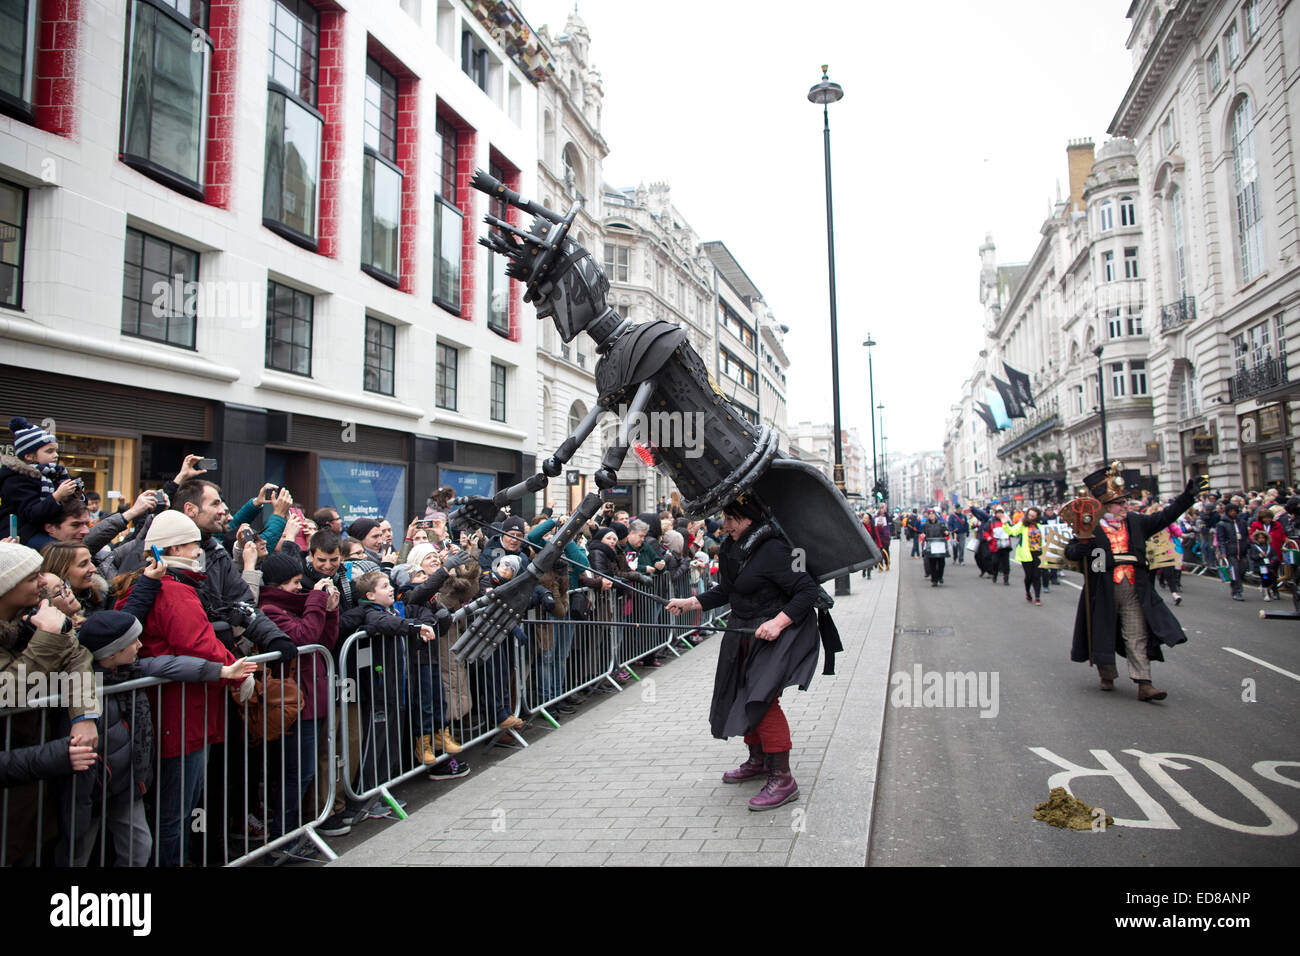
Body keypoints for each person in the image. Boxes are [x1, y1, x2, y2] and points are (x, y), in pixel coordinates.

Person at [665, 495, 830, 812]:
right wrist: (691, 603)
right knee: (740, 691)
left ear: (750, 518)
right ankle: (758, 760)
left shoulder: (777, 550)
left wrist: (778, 623)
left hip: (778, 631)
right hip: (743, 629)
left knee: (762, 699)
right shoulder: (731, 548)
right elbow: (728, 591)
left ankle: (783, 778)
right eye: (725, 518)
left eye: (732, 519)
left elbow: (807, 591)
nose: (724, 526)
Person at [1064, 465, 1206, 702]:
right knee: (1103, 631)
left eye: (1125, 501)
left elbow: (1165, 517)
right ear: (1106, 506)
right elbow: (1072, 552)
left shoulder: (1137, 522)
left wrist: (1188, 496)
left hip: (1134, 587)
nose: (1125, 506)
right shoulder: (1091, 526)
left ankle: (1144, 682)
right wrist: (1083, 545)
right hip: (1103, 587)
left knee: (1136, 633)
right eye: (1119, 503)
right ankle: (1107, 674)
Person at [1005, 507, 1045, 605]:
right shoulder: (1022, 525)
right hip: (1026, 554)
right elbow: (1012, 532)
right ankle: (1027, 592)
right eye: (1029, 515)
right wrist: (1005, 524)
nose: (1030, 517)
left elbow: (1045, 539)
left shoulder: (1040, 526)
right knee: (1029, 576)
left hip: (1038, 553)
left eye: (1033, 516)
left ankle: (1037, 597)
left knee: (1037, 576)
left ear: (1036, 517)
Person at [1214, 500, 1250, 601]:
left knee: (1242, 570)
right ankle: (1237, 591)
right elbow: (1221, 539)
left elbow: (1246, 535)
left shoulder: (1242, 522)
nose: (1233, 513)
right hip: (1231, 551)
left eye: (1235, 511)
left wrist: (1247, 545)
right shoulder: (1221, 524)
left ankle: (1237, 588)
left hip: (1242, 551)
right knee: (1235, 571)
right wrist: (1223, 552)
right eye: (1231, 511)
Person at [918, 509, 950, 586]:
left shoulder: (941, 523)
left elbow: (946, 532)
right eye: (930, 514)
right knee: (932, 563)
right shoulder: (926, 524)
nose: (931, 515)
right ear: (928, 515)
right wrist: (923, 535)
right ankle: (934, 580)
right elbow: (923, 533)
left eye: (933, 514)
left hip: (940, 545)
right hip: (931, 546)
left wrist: (947, 532)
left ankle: (940, 577)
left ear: (935, 515)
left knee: (941, 563)